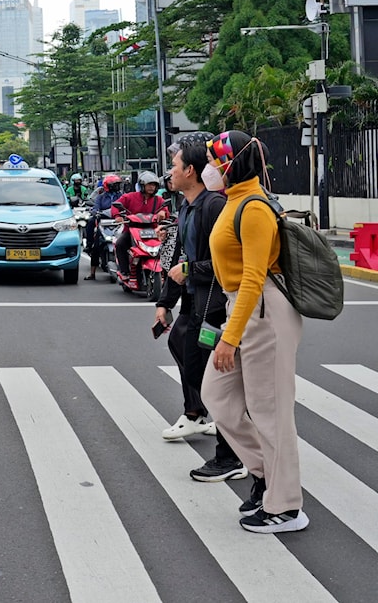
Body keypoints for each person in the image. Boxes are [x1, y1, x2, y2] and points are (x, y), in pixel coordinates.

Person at [201, 130, 307, 534]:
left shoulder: (255, 207)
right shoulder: (233, 202)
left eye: (215, 159)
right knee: (217, 395)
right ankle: (264, 472)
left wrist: (230, 337)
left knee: (271, 411)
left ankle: (285, 506)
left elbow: (253, 276)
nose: (210, 166)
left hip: (264, 312)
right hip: (242, 307)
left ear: (231, 163)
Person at [154, 136, 247, 482]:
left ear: (189, 171)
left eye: (174, 167)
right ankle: (200, 414)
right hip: (195, 300)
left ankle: (231, 452)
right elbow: (179, 256)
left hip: (216, 305)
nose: (170, 173)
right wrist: (164, 302)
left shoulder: (213, 207)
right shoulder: (186, 208)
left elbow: (226, 262)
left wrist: (191, 271)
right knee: (180, 347)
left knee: (216, 380)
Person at [112, 170, 167, 276]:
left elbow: (165, 210)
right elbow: (116, 205)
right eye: (149, 185)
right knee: (120, 244)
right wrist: (117, 216)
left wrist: (163, 212)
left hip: (153, 231)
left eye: (154, 185)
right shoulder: (130, 197)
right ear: (142, 185)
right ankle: (124, 271)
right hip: (132, 230)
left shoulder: (159, 200)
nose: (152, 187)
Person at [83, 174, 122, 280]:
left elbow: (126, 206)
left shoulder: (121, 196)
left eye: (118, 184)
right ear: (107, 186)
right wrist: (96, 212)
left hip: (118, 222)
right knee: (96, 246)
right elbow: (95, 207)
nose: (117, 186)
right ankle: (92, 273)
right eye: (115, 185)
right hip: (104, 222)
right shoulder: (101, 196)